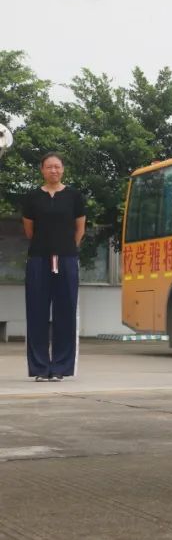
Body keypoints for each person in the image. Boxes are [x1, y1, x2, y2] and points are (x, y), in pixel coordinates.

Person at [22, 152, 85, 382]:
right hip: (39, 259)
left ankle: (60, 367)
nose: (53, 170)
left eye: (57, 166)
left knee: (65, 312)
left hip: (66, 259)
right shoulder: (32, 197)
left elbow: (80, 229)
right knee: (36, 312)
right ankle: (40, 367)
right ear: (42, 170)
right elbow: (30, 231)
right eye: (49, 167)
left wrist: (66, 247)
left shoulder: (74, 196)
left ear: (63, 169)